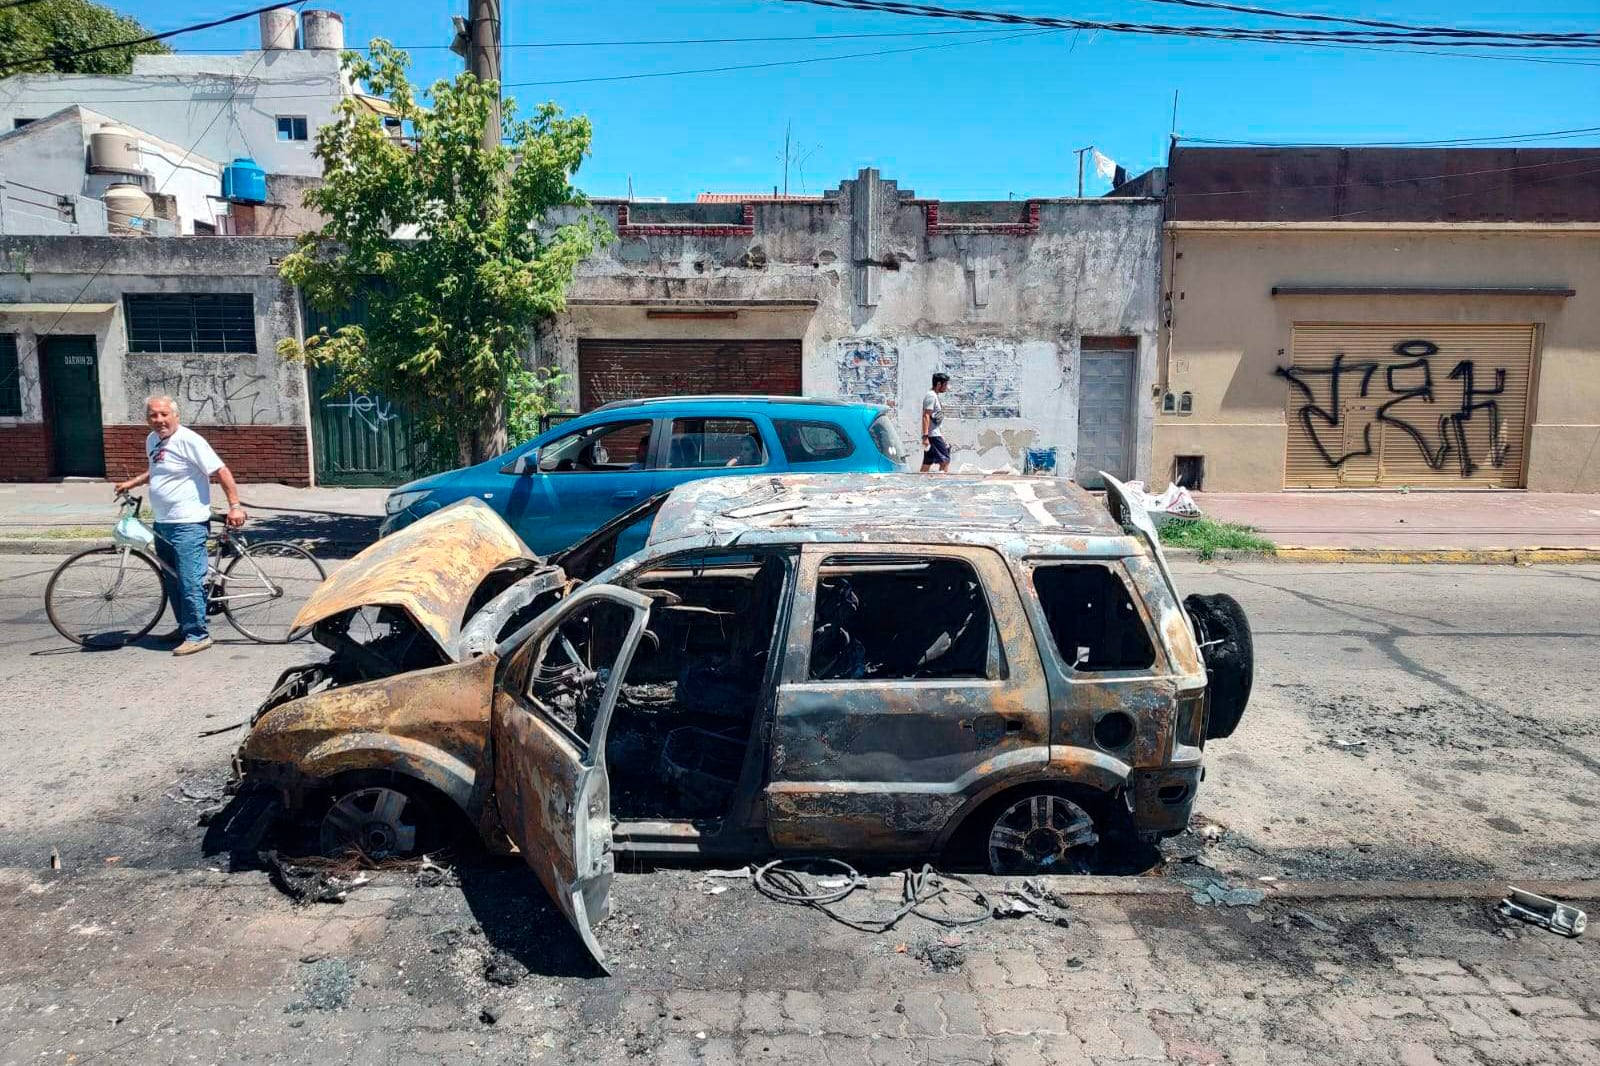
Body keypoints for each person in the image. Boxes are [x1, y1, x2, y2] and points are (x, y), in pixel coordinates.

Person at [112, 396, 247, 656]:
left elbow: (220, 470)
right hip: (163, 522)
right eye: (153, 415)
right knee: (172, 579)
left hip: (188, 522)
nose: (159, 420)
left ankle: (198, 635)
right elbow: (158, 469)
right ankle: (185, 627)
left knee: (189, 580)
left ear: (175, 415)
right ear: (147, 419)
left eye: (164, 414)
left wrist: (235, 505)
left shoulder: (190, 439)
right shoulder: (152, 440)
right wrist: (133, 483)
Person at [920, 372, 951, 472]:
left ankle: (920, 481)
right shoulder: (931, 396)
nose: (946, 387)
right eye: (945, 384)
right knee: (945, 461)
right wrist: (925, 436)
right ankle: (942, 481)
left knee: (928, 462)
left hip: (934, 434)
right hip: (933, 436)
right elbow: (926, 415)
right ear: (938, 384)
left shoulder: (934, 396)